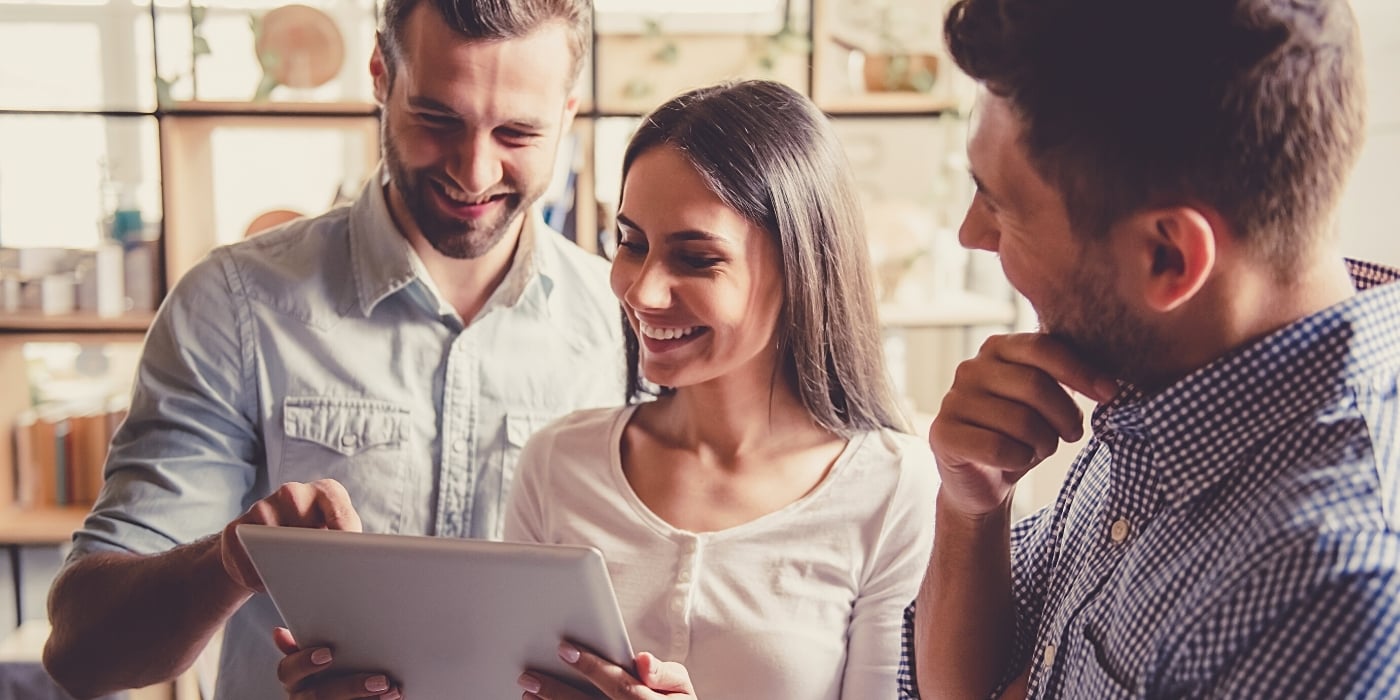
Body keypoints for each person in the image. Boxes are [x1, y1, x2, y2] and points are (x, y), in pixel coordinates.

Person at [275, 79, 940, 699]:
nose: (642, 290)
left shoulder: (893, 486)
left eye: (696, 256)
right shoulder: (560, 462)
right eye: (631, 242)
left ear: (803, 266)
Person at [41, 1, 624, 698]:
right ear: (380, 74)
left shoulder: (629, 328)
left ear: (568, 112)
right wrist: (232, 559)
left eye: (518, 132)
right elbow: (81, 653)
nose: (474, 172)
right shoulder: (233, 306)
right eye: (437, 119)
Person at [898, 0, 1400, 698]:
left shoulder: (1335, 591)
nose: (970, 233)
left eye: (1000, 203)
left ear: (1168, 257)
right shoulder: (1167, 377)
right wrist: (971, 510)